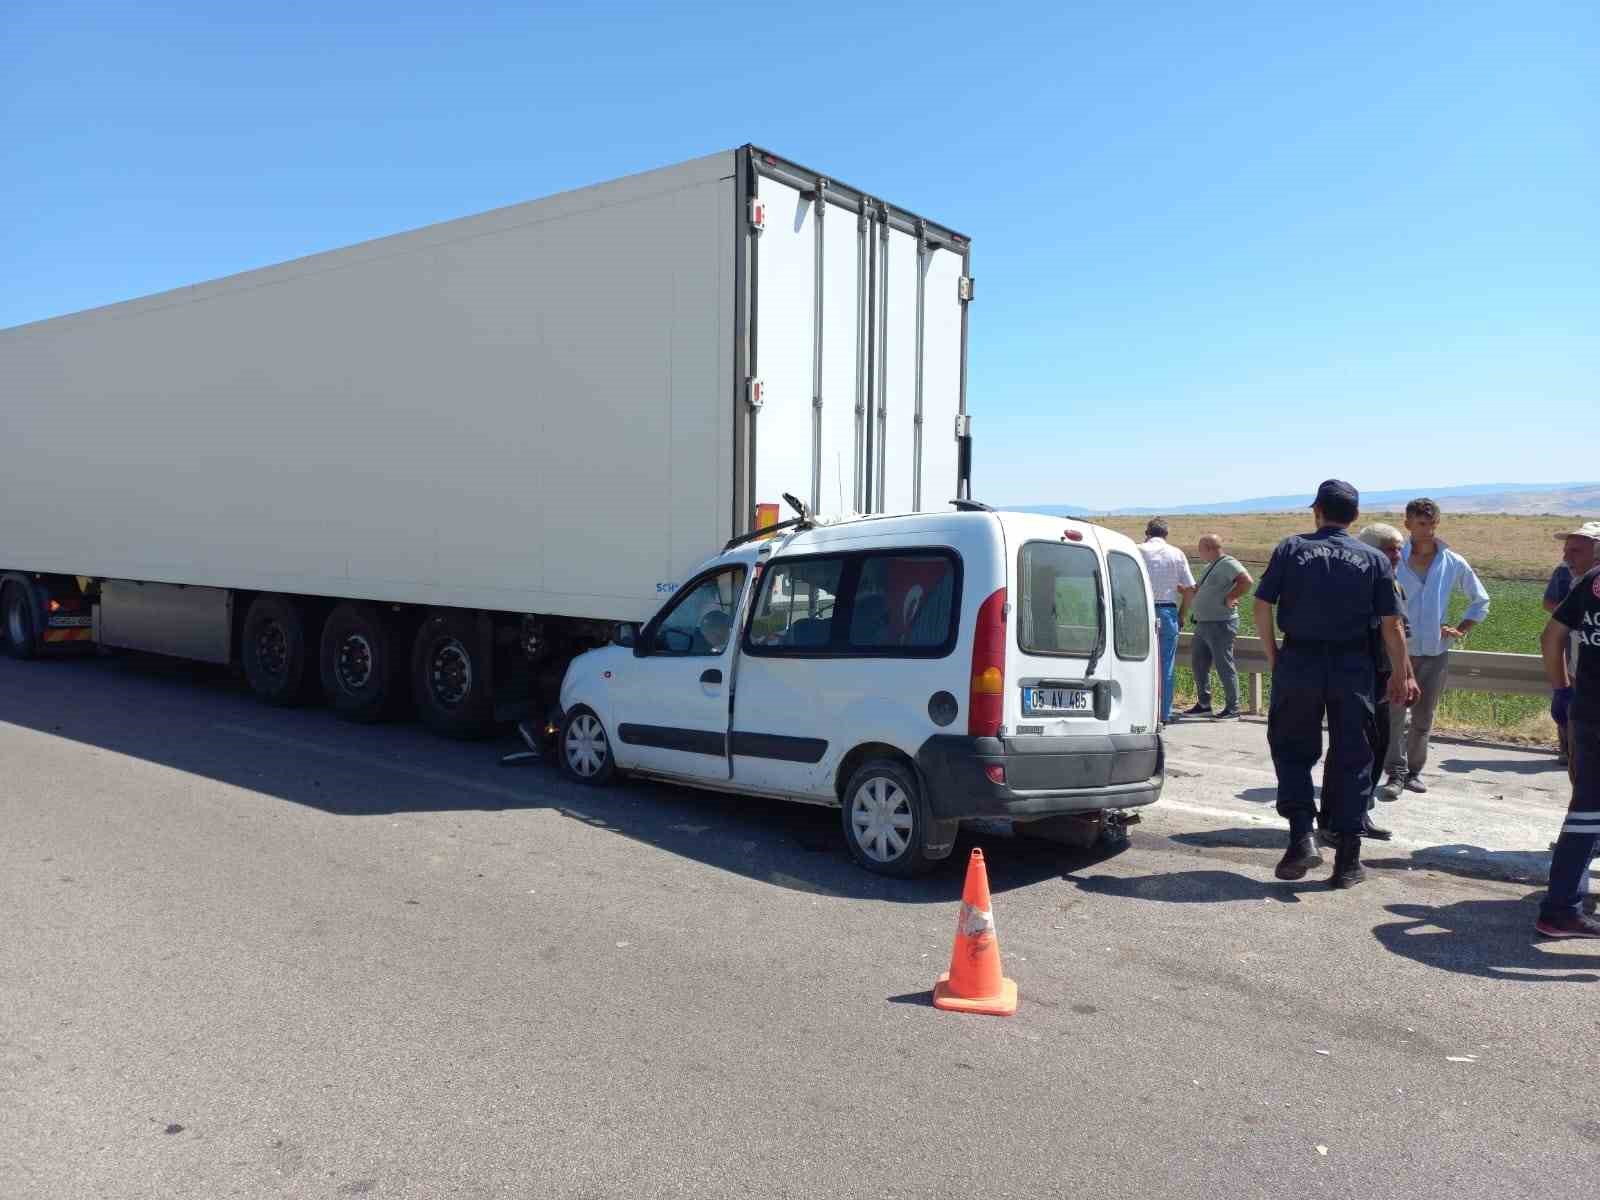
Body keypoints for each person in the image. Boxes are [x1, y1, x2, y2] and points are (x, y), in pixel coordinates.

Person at [1254, 480, 1413, 889]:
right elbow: (1392, 624)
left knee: (1292, 750)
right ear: (1354, 517)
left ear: (1316, 511)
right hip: (1353, 666)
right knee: (1353, 758)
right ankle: (1347, 862)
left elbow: (1261, 603)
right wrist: (1402, 672)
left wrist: (1275, 655)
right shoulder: (1375, 559)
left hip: (1300, 661)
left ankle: (1302, 837)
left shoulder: (1290, 548)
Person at [1376, 498, 1491, 800]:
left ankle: (1414, 771)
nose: (1426, 530)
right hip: (1399, 652)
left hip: (1435, 651)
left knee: (1424, 718)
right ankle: (1395, 773)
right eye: (1420, 523)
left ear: (1437, 524)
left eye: (1431, 523)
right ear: (1408, 524)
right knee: (1395, 716)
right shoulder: (1393, 561)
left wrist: (1461, 628)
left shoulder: (1452, 561)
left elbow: (1480, 599)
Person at [1317, 523, 1415, 843]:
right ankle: (1332, 820)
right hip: (1357, 679)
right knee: (1349, 751)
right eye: (1390, 548)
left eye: (1399, 548)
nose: (1397, 554)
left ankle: (1358, 813)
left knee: (1378, 747)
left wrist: (1406, 675)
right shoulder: (1357, 584)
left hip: (1384, 680)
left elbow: (1401, 636)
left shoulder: (1393, 585)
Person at [1535, 546, 1600, 937]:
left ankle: (1559, 908)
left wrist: (1561, 690)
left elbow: (1551, 636)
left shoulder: (1593, 579)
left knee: (1586, 811)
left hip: (1588, 711)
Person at [1545, 524, 1600, 770]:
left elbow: (1549, 637)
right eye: (1566, 550)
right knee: (1580, 765)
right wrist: (1562, 689)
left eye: (1575, 551)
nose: (1566, 558)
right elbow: (1550, 637)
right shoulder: (1577, 583)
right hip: (1581, 684)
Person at [1182, 534, 1252, 719]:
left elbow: (1246, 581)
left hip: (1221, 623)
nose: (1199, 553)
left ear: (1209, 548)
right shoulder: (1209, 567)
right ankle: (1204, 704)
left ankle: (1233, 708)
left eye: (1200, 549)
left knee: (1223, 664)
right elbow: (1200, 588)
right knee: (1199, 664)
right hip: (1204, 623)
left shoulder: (1228, 563)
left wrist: (1231, 597)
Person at [1138, 519, 1195, 725]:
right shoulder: (1176, 553)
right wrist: (1181, 614)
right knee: (1166, 664)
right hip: (1168, 611)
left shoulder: (1137, 550)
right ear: (1166, 534)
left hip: (1141, 612)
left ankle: (1140, 710)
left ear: (1147, 532)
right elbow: (1189, 588)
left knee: (1136, 663)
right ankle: (1164, 713)